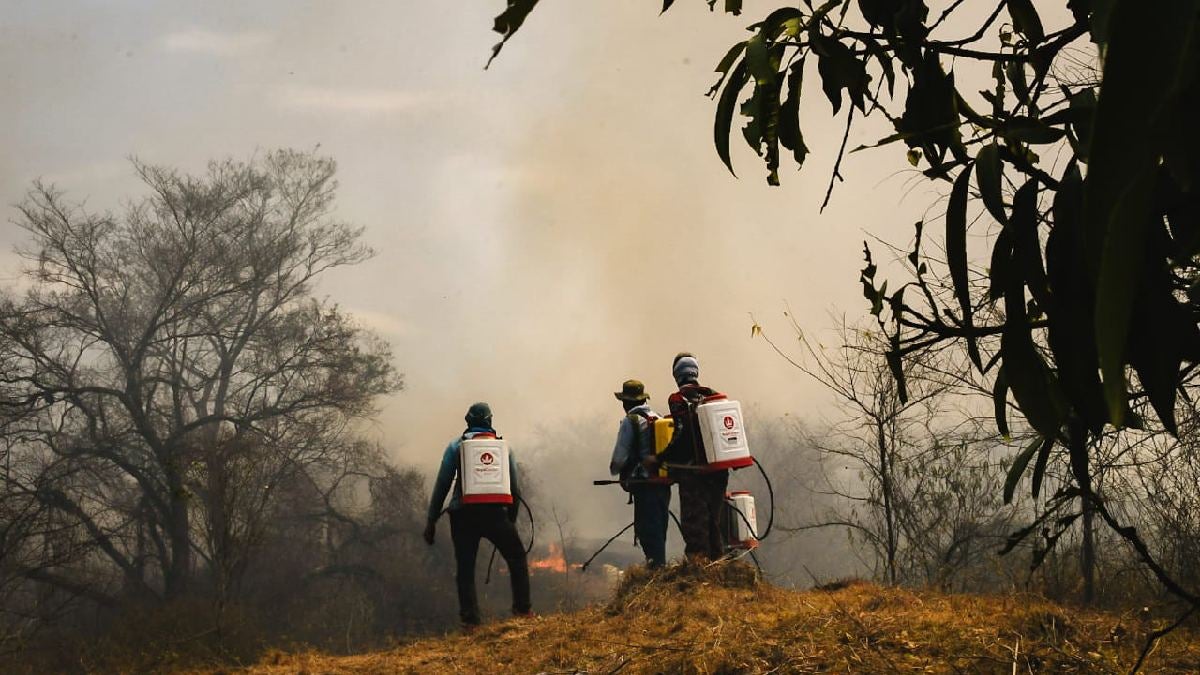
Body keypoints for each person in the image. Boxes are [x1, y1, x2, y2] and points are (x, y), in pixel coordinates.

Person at [423, 402, 532, 628]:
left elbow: (442, 484)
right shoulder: (504, 447)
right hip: (496, 514)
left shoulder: (455, 446)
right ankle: (523, 611)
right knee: (517, 558)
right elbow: (515, 489)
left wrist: (431, 520)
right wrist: (510, 521)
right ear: (490, 421)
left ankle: (470, 621)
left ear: (468, 421)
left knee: (465, 567)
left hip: (463, 515)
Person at [661, 353, 728, 561]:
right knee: (713, 522)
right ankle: (716, 564)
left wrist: (661, 457)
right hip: (719, 470)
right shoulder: (713, 396)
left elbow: (681, 434)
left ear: (677, 375)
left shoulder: (678, 399)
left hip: (694, 472)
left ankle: (698, 566)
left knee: (694, 523)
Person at [608, 379, 671, 568]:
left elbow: (619, 458)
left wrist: (615, 470)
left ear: (626, 402)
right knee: (659, 531)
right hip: (663, 484)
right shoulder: (658, 418)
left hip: (644, 486)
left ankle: (656, 572)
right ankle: (658, 568)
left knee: (647, 533)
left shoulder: (631, 421)